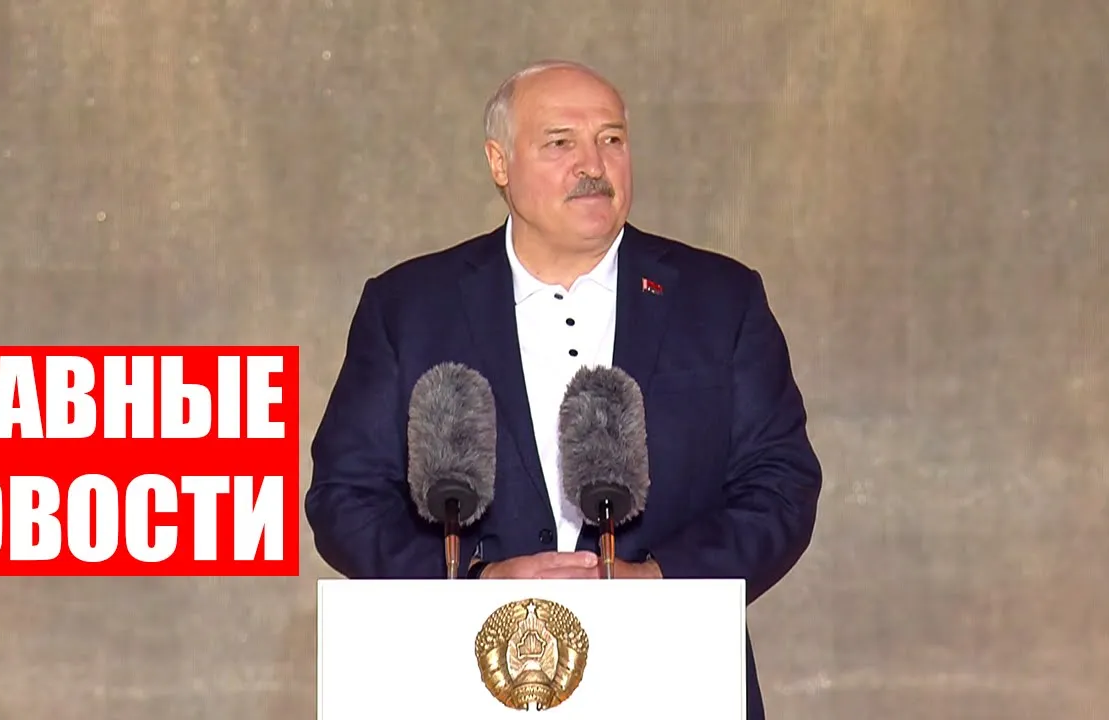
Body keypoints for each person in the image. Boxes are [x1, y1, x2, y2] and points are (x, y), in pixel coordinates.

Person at [304, 59, 823, 719]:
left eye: (611, 139)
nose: (593, 165)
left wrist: (661, 582)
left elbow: (779, 485)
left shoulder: (721, 299)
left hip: (668, 675)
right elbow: (346, 497)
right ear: (499, 162)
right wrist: (475, 585)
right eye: (560, 143)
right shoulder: (409, 307)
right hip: (462, 680)